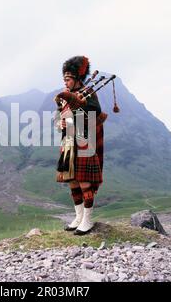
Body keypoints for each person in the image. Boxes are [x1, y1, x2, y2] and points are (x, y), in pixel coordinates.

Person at [54, 56, 107, 235]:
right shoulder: (63, 96)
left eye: (68, 78)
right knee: (72, 181)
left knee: (85, 182)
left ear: (77, 78)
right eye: (64, 79)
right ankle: (78, 217)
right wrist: (59, 123)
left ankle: (88, 220)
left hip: (84, 140)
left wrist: (81, 104)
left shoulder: (89, 93)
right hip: (68, 141)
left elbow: (95, 113)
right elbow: (57, 117)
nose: (65, 81)